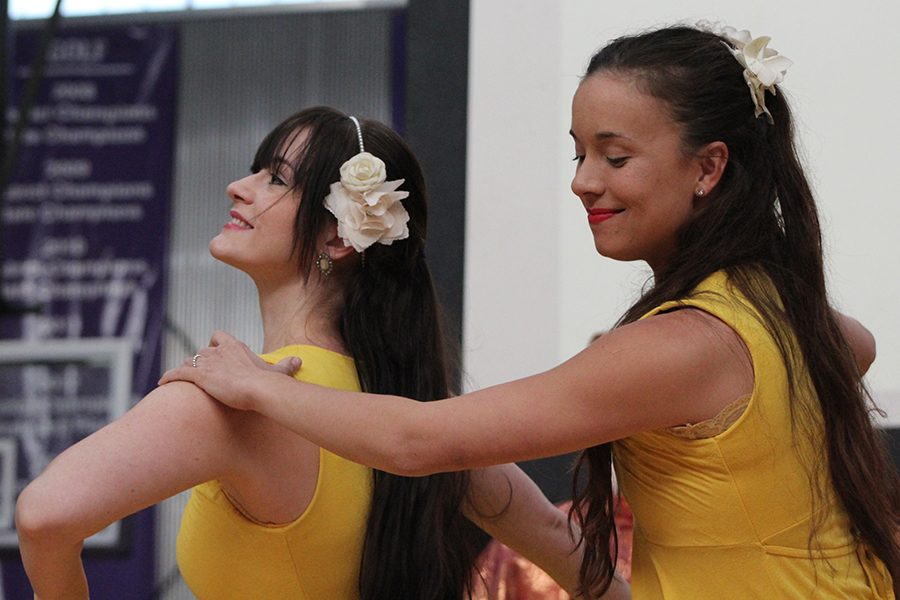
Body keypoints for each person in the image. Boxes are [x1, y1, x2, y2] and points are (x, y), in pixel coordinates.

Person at [163, 25, 900, 599]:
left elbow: (422, 443)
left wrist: (259, 384)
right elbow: (856, 343)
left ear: (708, 167)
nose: (584, 182)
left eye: (615, 158)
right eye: (578, 154)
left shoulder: (684, 342)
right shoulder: (770, 303)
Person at [15, 107, 624, 600]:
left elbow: (44, 517)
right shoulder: (418, 414)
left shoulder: (236, 399)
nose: (239, 186)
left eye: (276, 178)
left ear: (338, 233)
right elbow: (560, 539)